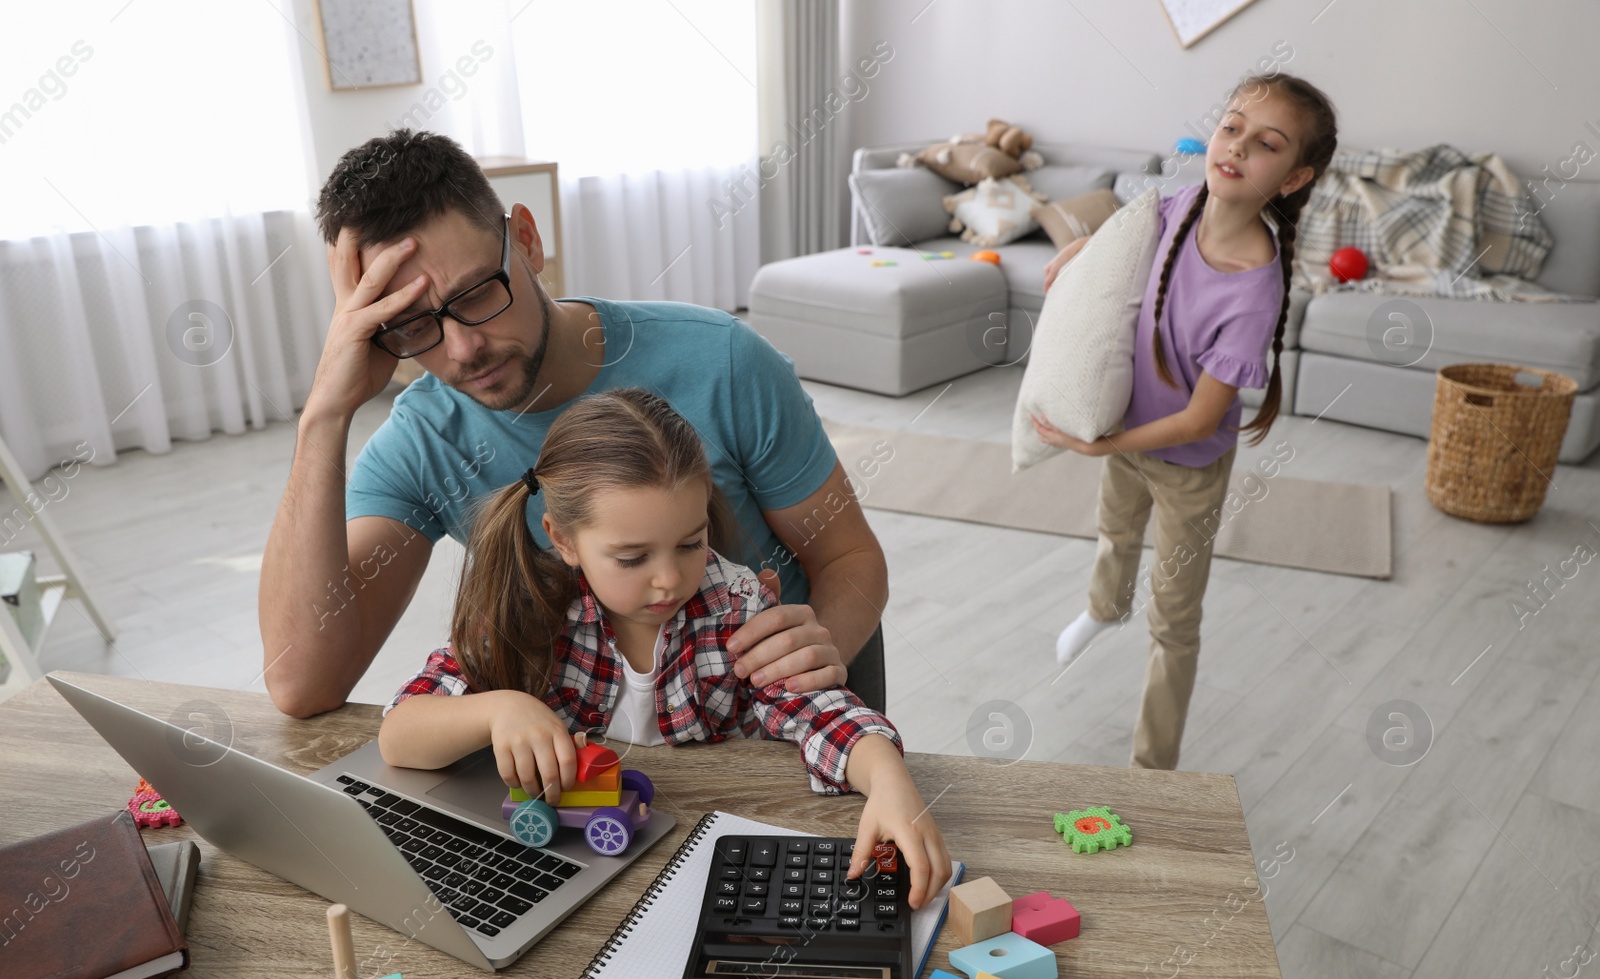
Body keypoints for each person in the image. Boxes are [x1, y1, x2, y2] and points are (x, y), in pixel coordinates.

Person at [259, 129, 888, 719]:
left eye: (477, 293)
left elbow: (851, 557)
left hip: (772, 720)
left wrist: (803, 671)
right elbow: (303, 683)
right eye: (411, 324)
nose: (461, 349)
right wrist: (323, 417)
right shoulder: (424, 439)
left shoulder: (721, 360)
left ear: (527, 241)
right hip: (605, 755)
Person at [377, 387, 951, 907]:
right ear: (563, 540)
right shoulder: (523, 614)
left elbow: (820, 710)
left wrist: (889, 779)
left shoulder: (734, 603)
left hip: (712, 865)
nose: (669, 581)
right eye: (631, 558)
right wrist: (498, 708)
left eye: (690, 543)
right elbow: (400, 735)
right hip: (574, 879)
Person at [1033, 73, 1338, 770]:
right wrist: (1075, 253)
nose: (1236, 147)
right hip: (1127, 431)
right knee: (1115, 529)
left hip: (1188, 464)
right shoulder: (1177, 205)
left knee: (1174, 620)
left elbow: (1201, 416)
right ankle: (1104, 610)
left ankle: (1153, 763)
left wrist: (1100, 444)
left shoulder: (1254, 285)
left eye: (1266, 144)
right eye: (1231, 127)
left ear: (1292, 178)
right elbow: (1119, 236)